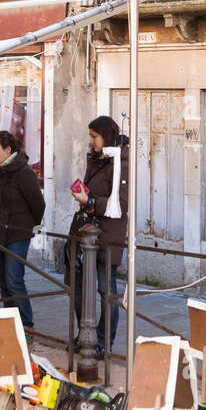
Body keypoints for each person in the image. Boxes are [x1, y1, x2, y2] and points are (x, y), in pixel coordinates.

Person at [70, 115, 128, 360]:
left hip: (107, 234)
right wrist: (85, 194)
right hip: (87, 232)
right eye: (90, 137)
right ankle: (86, 336)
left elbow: (121, 204)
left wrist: (90, 201)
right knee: (81, 287)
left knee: (107, 291)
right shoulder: (97, 158)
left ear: (106, 136)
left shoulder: (121, 163)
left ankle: (104, 343)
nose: (91, 141)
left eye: (94, 136)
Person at [0, 131, 45, 333]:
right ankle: (10, 322)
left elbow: (38, 204)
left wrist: (29, 227)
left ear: (8, 150)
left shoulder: (24, 173)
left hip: (17, 233)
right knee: (1, 280)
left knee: (14, 280)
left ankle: (26, 325)